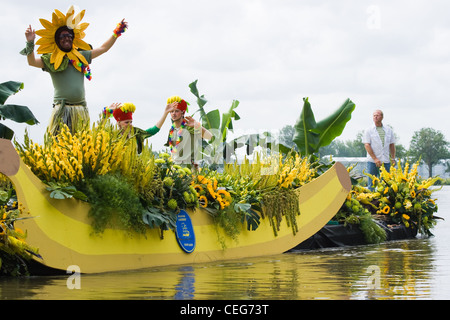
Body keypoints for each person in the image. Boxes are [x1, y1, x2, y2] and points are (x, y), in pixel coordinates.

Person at [21, 6, 128, 136]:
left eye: (69, 35)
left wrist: (116, 32)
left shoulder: (81, 56)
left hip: (80, 110)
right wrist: (30, 43)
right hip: (61, 111)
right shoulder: (51, 60)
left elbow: (103, 48)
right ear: (56, 40)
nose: (66, 38)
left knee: (80, 145)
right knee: (58, 143)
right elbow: (32, 62)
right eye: (62, 36)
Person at [105, 102, 176, 154]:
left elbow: (154, 130)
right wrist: (106, 113)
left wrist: (165, 113)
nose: (130, 125)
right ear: (119, 123)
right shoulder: (112, 135)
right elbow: (99, 132)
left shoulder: (135, 134)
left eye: (131, 122)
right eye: (127, 122)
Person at [165, 96, 212, 166]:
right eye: (171, 111)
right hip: (175, 169)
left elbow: (209, 136)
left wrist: (196, 125)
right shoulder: (172, 130)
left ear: (183, 113)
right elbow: (173, 151)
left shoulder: (189, 127)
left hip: (190, 169)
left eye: (176, 111)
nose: (173, 113)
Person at [363, 109, 396, 190]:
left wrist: (393, 158)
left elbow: (392, 145)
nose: (375, 117)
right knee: (372, 184)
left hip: (385, 161)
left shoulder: (388, 130)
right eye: (374, 115)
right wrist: (375, 159)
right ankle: (372, 201)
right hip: (372, 161)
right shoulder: (368, 130)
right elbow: (367, 145)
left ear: (382, 117)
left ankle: (384, 201)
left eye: (377, 115)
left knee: (386, 183)